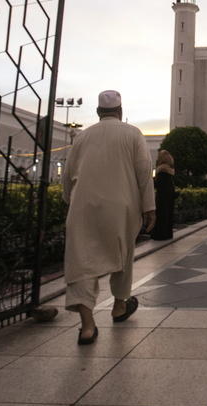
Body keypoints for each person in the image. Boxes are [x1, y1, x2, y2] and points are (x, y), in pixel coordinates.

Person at [62, 90, 155, 344]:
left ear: (97, 112)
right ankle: (119, 306)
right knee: (122, 256)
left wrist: (71, 202)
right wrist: (149, 207)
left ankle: (88, 326)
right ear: (120, 111)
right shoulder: (132, 133)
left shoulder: (82, 137)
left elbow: (67, 177)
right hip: (121, 207)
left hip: (84, 206)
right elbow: (145, 172)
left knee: (81, 262)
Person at [151, 149, 176, 240]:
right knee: (168, 214)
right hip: (169, 195)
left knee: (161, 214)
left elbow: (158, 184)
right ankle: (168, 234)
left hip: (162, 195)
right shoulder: (170, 170)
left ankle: (160, 235)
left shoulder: (161, 169)